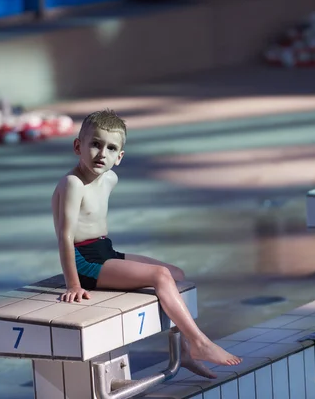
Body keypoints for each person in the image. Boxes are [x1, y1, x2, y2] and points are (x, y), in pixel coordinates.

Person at [51, 109, 242, 379]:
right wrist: (73, 284)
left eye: (111, 148)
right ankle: (200, 343)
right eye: (95, 144)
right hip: (85, 261)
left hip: (105, 250)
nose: (101, 153)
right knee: (161, 276)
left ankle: (184, 352)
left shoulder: (110, 179)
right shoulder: (72, 184)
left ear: (119, 158)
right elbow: (64, 237)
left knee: (176, 275)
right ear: (77, 146)